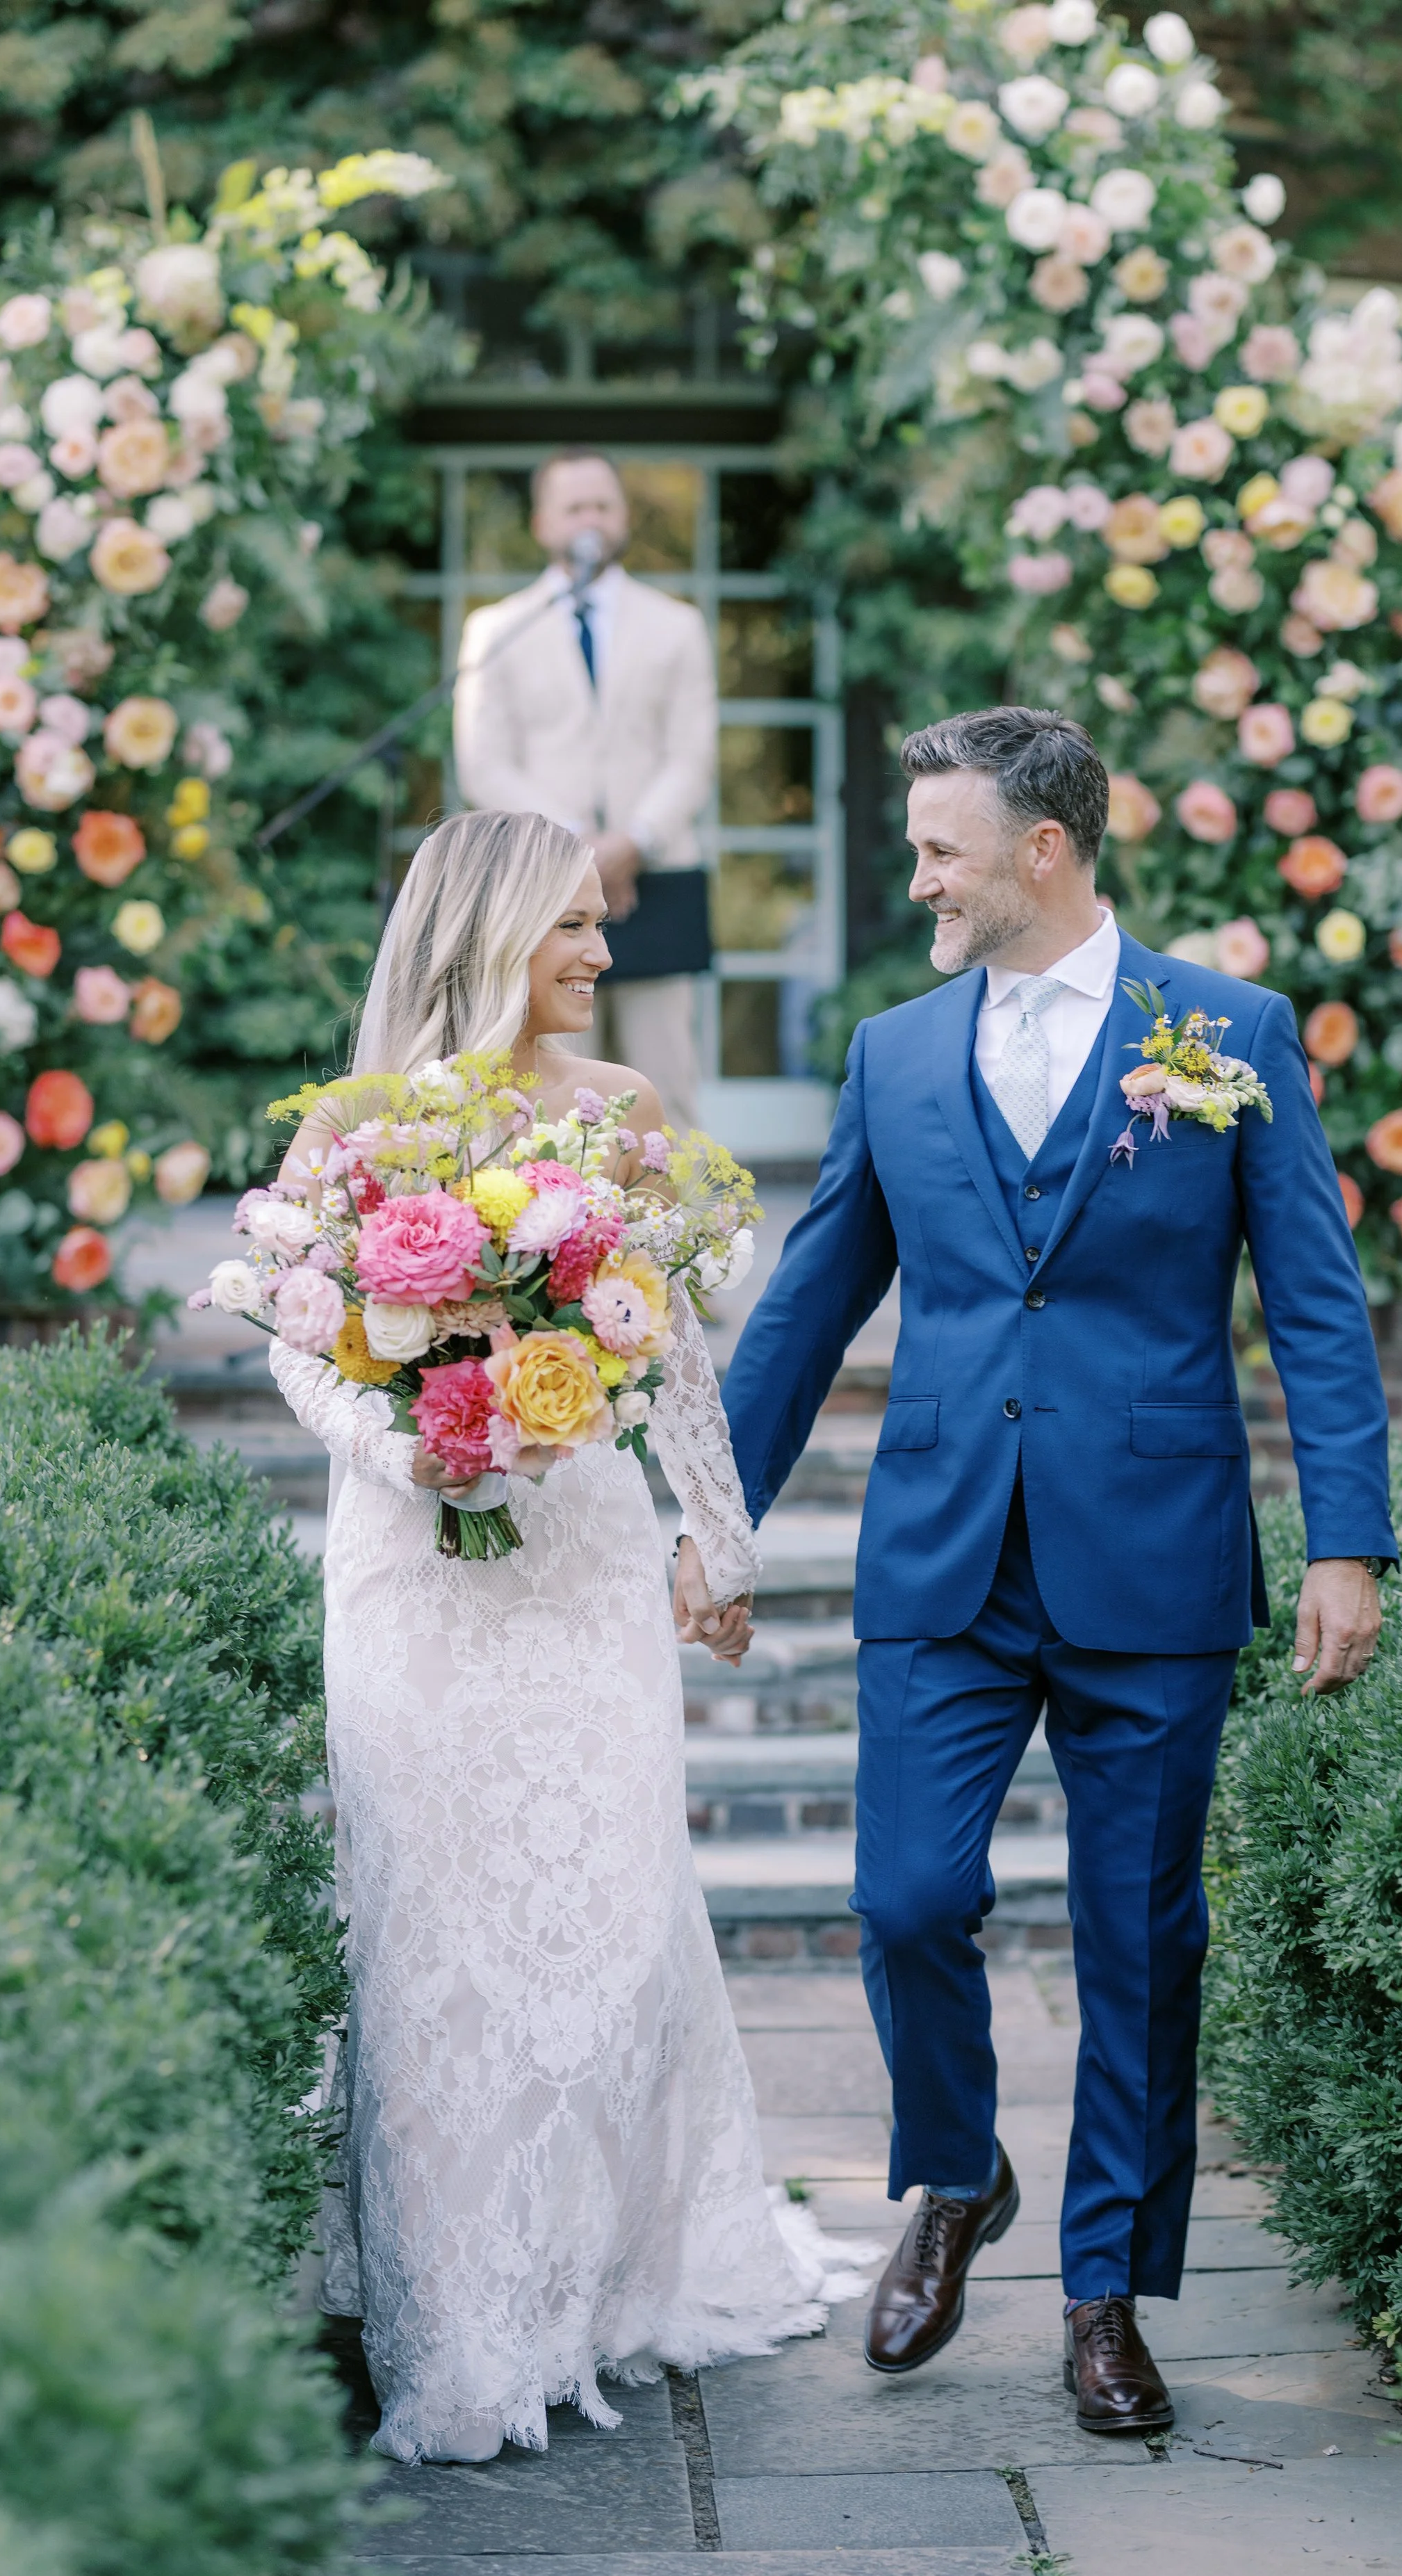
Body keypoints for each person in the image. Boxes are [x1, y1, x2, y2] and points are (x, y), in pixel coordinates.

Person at [720, 707, 1396, 2434]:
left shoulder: (1222, 1034)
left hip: (1155, 1552)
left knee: (1136, 1937)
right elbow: (805, 1307)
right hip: (944, 1544)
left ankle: (1106, 2292)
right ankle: (955, 2173)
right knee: (908, 1899)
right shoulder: (893, 1051)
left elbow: (1311, 1295)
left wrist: (1343, 1537)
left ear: (1045, 849)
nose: (917, 875)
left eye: (941, 846)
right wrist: (708, 1520)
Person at [266, 809, 870, 2464]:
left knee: (602, 1914)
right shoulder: (358, 1127)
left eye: (603, 926)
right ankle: (462, 2312)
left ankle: (599, 2267)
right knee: (430, 1929)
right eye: (575, 929)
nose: (605, 956)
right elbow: (302, 1342)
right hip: (418, 1568)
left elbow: (670, 1353)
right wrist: (415, 1448)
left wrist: (719, 1546)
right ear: (485, 933)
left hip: (581, 1563)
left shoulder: (626, 1115)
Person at [452, 452, 717, 1128]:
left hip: (657, 871)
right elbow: (483, 764)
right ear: (543, 524)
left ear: (623, 518)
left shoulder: (677, 625)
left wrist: (632, 842)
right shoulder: (497, 629)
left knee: (667, 1087)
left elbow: (691, 754)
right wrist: (579, 850)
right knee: (557, 1091)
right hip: (546, 886)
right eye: (574, 507)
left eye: (602, 505)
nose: (590, 519)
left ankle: (685, 1233)